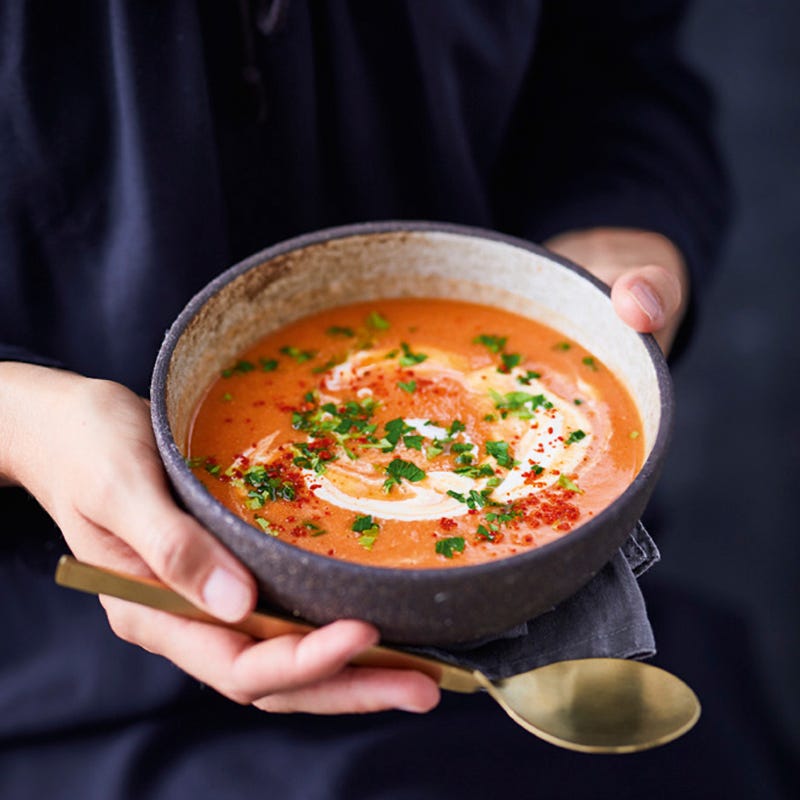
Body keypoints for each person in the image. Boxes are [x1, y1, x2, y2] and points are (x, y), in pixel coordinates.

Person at [0, 2, 747, 798]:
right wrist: (24, 425)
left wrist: (611, 252)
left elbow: (614, 82)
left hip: (542, 620)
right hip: (83, 681)